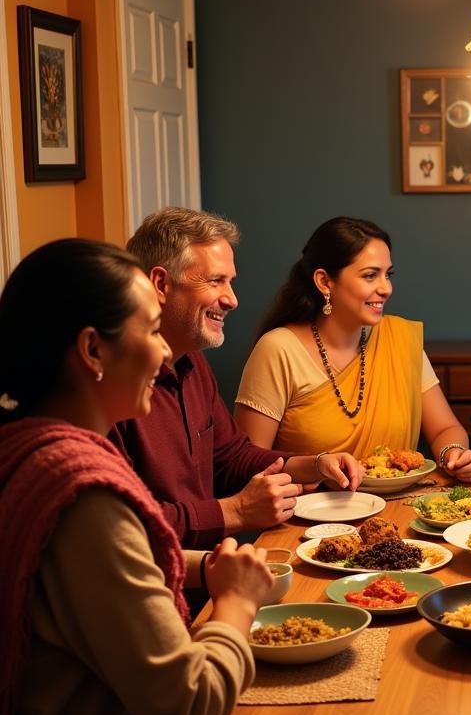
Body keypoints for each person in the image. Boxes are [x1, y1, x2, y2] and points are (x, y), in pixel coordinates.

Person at [0, 239, 419, 715]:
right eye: (147, 328)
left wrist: (205, 566)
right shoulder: (85, 498)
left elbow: (111, 574)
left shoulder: (31, 450)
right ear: (92, 351)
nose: (164, 350)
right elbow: (191, 714)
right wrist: (235, 604)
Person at [110, 207, 364, 550]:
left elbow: (230, 457)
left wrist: (312, 465)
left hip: (216, 570)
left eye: (230, 282)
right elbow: (121, 525)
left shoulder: (193, 363)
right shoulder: (109, 386)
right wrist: (235, 511)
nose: (232, 299)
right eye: (215, 281)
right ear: (160, 284)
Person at [234, 217, 471, 483]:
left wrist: (453, 453)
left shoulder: (399, 339)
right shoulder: (278, 350)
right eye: (370, 275)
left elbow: (446, 428)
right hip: (310, 518)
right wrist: (316, 467)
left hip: (397, 509)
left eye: (388, 275)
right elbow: (247, 465)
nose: (386, 288)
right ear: (325, 282)